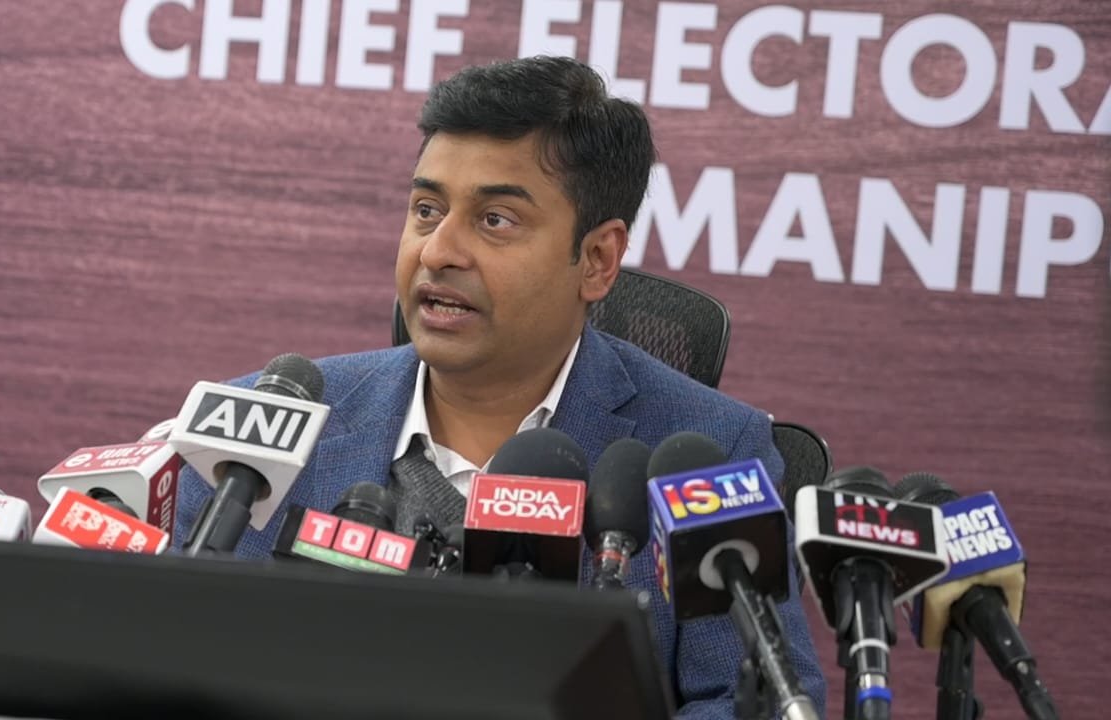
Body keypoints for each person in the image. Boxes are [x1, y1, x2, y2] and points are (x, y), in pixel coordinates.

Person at [174, 55, 826, 717]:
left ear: (597, 260)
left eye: (495, 221)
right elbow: (177, 660)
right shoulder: (261, 436)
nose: (438, 251)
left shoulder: (711, 453)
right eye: (427, 209)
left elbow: (757, 701)